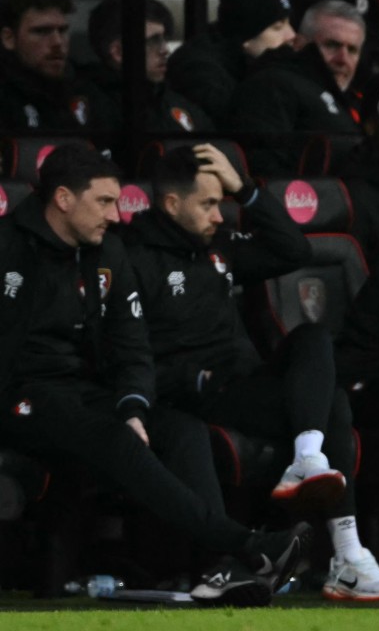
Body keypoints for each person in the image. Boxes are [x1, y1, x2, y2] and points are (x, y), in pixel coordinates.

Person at [0, 144, 310, 607]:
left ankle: (217, 569)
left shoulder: (106, 252)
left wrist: (134, 405)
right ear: (64, 199)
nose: (115, 214)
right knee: (111, 436)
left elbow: (131, 344)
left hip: (84, 390)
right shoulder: (9, 246)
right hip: (18, 396)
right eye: (104, 202)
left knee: (182, 429)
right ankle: (245, 544)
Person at [121, 143, 379, 601]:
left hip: (242, 382)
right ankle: (346, 554)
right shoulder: (135, 258)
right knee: (332, 402)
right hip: (193, 390)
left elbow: (292, 249)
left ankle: (308, 459)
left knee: (313, 341)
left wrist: (247, 190)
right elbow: (129, 347)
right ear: (172, 204)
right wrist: (187, 379)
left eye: (221, 204)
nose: (217, 215)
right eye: (208, 204)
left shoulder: (220, 247)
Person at [232, 0, 366, 176]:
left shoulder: (353, 100)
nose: (343, 59)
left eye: (352, 50)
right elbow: (264, 171)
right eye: (332, 45)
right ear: (299, 43)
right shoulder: (273, 85)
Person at [166, 0, 294, 126]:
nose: (291, 35)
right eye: (277, 27)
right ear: (246, 35)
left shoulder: (250, 61)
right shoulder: (198, 71)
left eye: (289, 24)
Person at [83, 0, 214, 134]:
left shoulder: (175, 103)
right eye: (153, 41)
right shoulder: (94, 108)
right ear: (118, 52)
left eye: (164, 39)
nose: (165, 50)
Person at [0, 0, 116, 133]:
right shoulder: (6, 99)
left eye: (62, 31)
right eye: (41, 31)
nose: (57, 42)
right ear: (9, 38)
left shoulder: (88, 94)